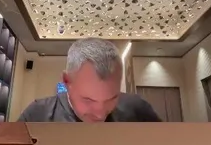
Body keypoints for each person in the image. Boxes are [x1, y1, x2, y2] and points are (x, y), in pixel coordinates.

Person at [18, 38, 161, 123]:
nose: (100, 114)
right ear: (66, 81)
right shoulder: (38, 115)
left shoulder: (138, 109)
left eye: (112, 98)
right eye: (88, 100)